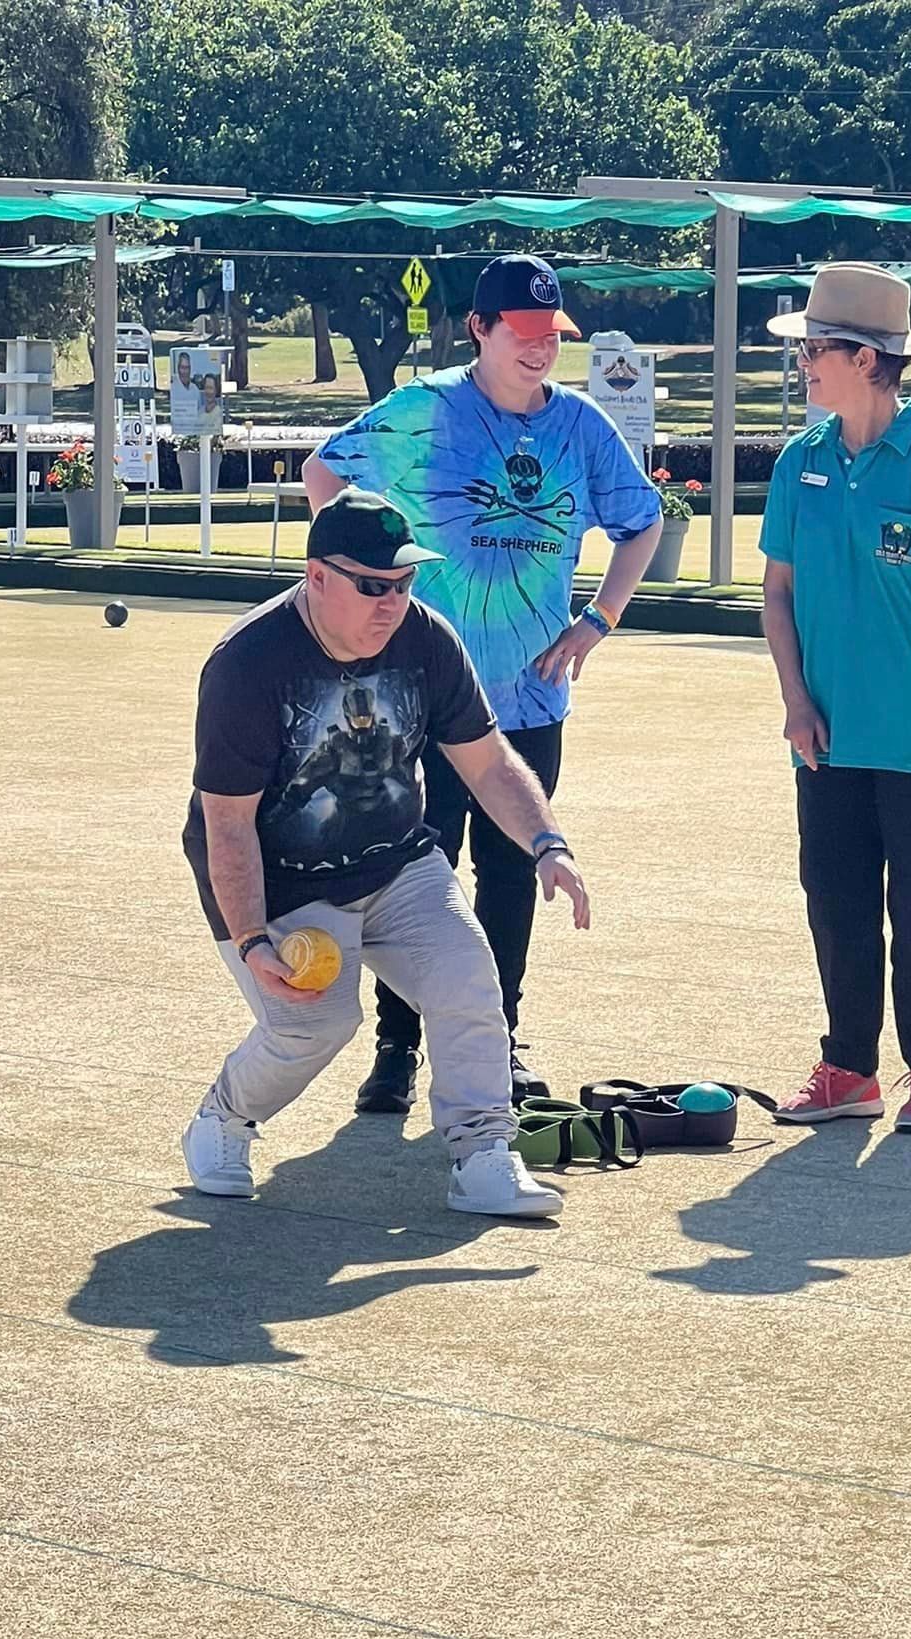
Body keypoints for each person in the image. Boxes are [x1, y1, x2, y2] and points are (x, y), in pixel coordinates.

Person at [303, 253, 662, 1112]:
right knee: (407, 871)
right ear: (479, 330)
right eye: (525, 337)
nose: (542, 352)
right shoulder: (424, 409)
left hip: (530, 699)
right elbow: (325, 474)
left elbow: (641, 522)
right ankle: (397, 1048)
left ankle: (499, 1039)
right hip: (414, 698)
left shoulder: (580, 427)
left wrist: (597, 622)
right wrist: (361, 594)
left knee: (511, 872)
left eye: (552, 339)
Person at [181, 486, 590, 1217]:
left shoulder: (426, 639)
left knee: (470, 980)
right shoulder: (247, 664)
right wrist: (249, 940)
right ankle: (223, 1119)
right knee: (316, 1025)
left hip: (397, 862)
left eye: (402, 584)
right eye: (372, 586)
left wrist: (546, 843)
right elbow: (228, 823)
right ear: (316, 578)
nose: (390, 603)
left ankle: (484, 1157)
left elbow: (489, 763)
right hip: (282, 881)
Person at [760, 263, 911, 1135]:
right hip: (825, 734)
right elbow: (776, 593)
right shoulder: (801, 462)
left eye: (815, 351)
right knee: (836, 899)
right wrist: (794, 700)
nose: (803, 366)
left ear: (864, 359)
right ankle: (848, 1069)